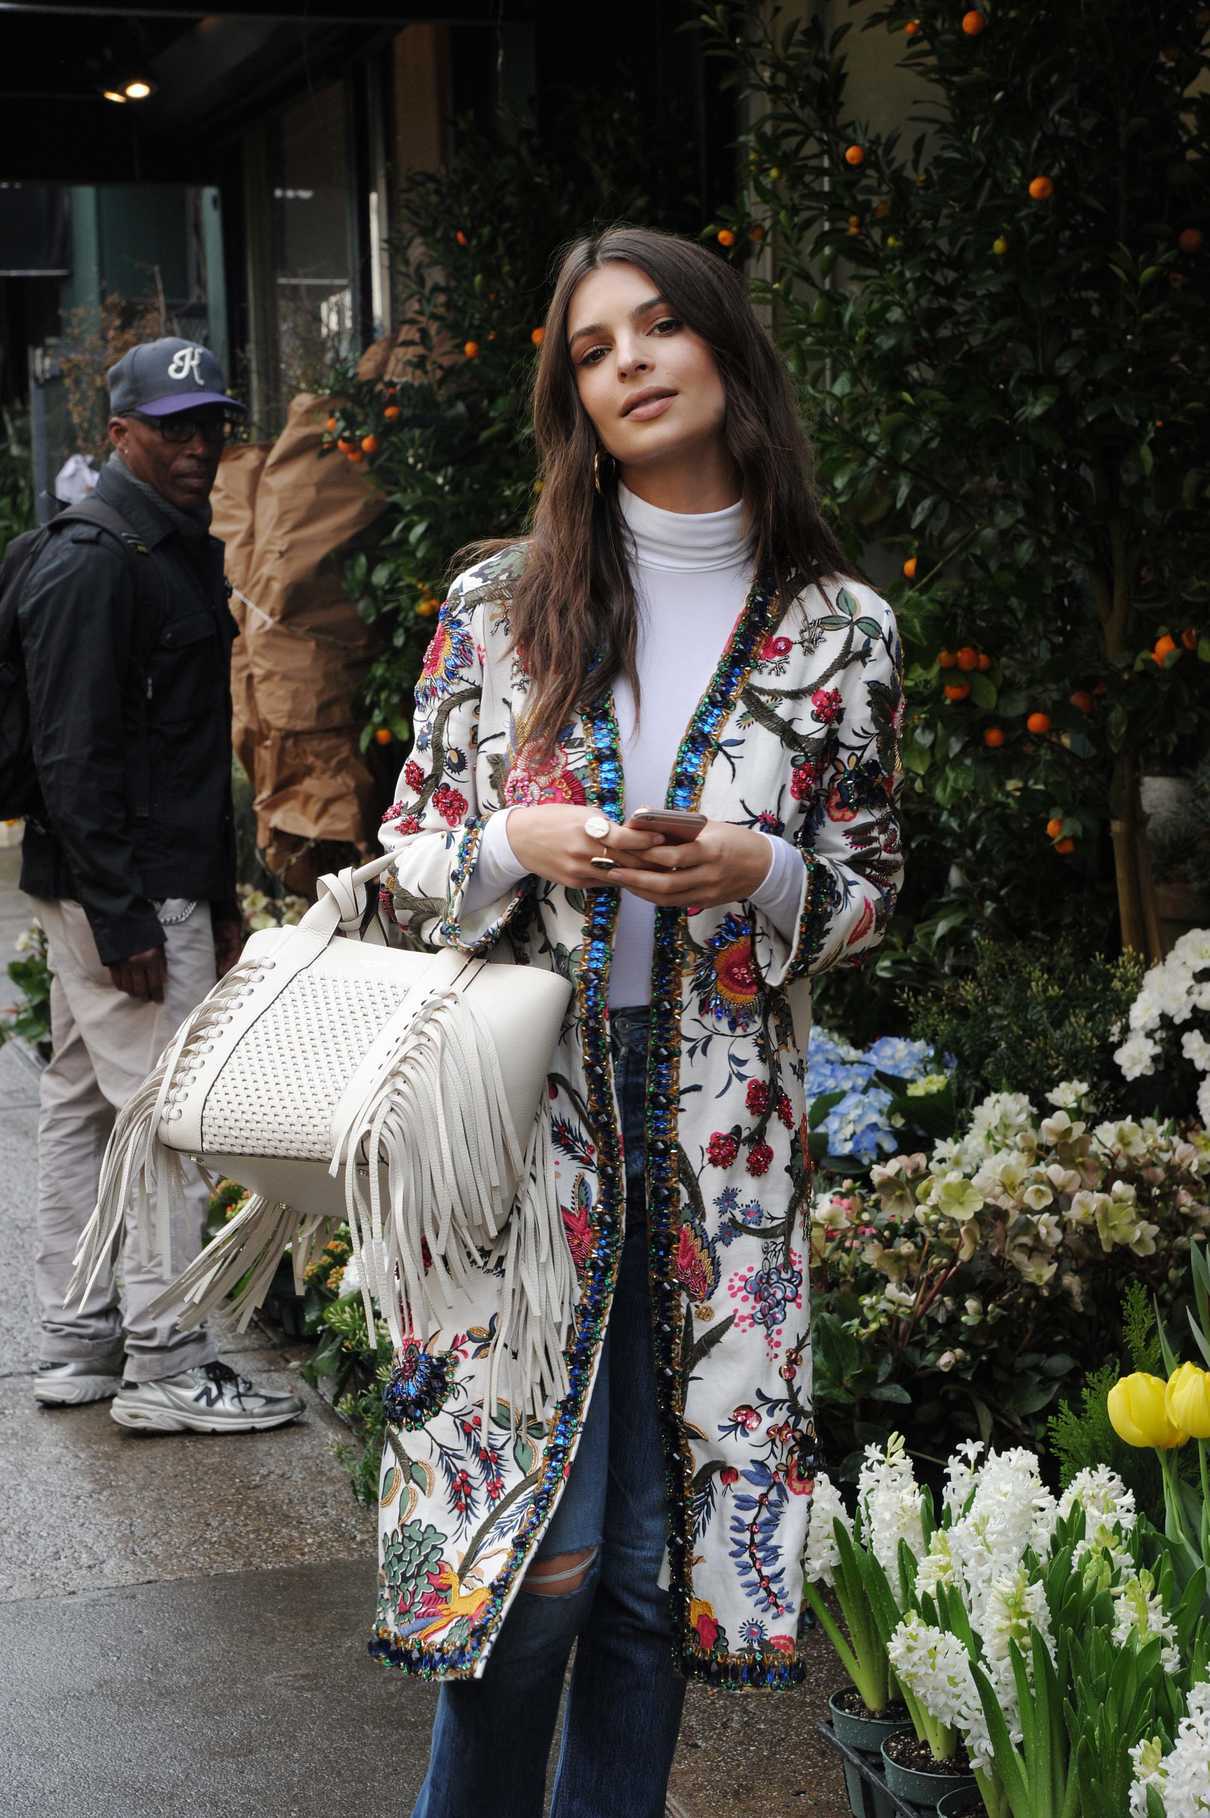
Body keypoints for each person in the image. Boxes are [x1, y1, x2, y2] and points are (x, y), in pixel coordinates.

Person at [376, 228, 904, 1817]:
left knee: (650, 1581)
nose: (630, 364)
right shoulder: (499, 604)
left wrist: (757, 868)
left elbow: (872, 887)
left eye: (660, 328)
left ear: (726, 350)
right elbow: (397, 866)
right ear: (571, 396)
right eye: (594, 349)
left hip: (722, 1142)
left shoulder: (838, 631)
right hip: (516, 1126)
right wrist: (507, 846)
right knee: (534, 1565)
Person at [21, 336, 304, 1435]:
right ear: (120, 433)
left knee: (86, 1104)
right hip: (120, 894)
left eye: (212, 425)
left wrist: (218, 893)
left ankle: (79, 1341)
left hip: (132, 882)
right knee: (161, 1122)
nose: (199, 445)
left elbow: (178, 745)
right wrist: (125, 910)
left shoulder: (168, 545)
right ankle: (167, 1359)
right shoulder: (99, 561)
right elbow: (74, 754)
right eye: (175, 426)